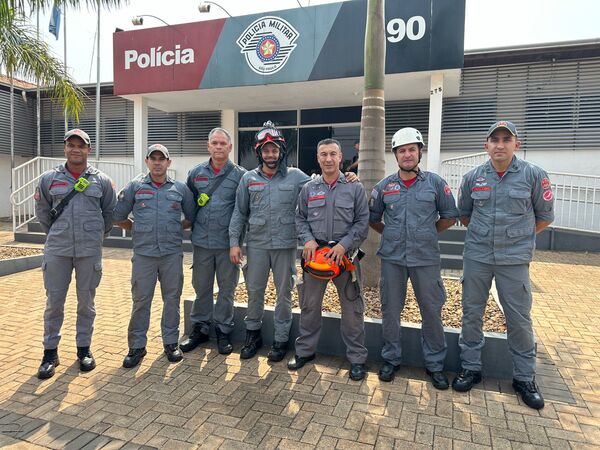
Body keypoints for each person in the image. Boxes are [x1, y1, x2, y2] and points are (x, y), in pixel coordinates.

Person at [452, 121, 554, 409]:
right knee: (472, 313)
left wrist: (515, 238)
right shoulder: (473, 178)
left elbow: (544, 217)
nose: (500, 144)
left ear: (516, 144)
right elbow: (466, 216)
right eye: (494, 139)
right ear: (486, 145)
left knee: (519, 319)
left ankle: (524, 378)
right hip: (478, 256)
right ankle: (470, 367)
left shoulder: (534, 176)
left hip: (514, 260)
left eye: (505, 139)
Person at [369, 127, 458, 388]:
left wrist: (427, 233)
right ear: (395, 155)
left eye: (411, 149)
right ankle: (391, 359)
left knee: (431, 311)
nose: (407, 155)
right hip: (393, 259)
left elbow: (449, 217)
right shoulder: (384, 187)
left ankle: (435, 365)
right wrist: (394, 234)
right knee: (390, 310)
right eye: (401, 151)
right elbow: (374, 220)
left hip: (426, 259)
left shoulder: (436, 184)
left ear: (419, 152)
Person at [34, 128, 116, 379]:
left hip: (89, 251)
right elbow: (42, 213)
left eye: (81, 145)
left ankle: (84, 349)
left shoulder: (101, 180)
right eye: (71, 144)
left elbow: (109, 215)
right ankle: (50, 352)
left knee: (86, 304)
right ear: (65, 148)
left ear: (88, 149)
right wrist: (59, 234)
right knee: (54, 303)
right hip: (58, 250)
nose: (76, 149)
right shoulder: (49, 179)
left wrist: (92, 237)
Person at [229, 121, 311, 362]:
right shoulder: (248, 179)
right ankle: (253, 336)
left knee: (284, 295)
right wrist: (235, 242)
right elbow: (239, 213)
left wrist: (346, 175)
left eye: (274, 150)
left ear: (281, 151)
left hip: (285, 246)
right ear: (259, 152)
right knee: (254, 292)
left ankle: (281, 339)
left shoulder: (296, 177)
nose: (270, 154)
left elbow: (319, 190)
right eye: (266, 150)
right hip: (256, 246)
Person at [289, 138, 369, 380]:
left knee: (353, 311)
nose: (328, 159)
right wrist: (308, 240)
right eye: (323, 154)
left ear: (340, 156)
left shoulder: (355, 188)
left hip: (346, 261)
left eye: (332, 154)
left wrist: (344, 246)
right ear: (318, 158)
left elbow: (362, 222)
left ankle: (356, 359)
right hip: (315, 260)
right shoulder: (309, 189)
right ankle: (305, 352)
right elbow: (300, 218)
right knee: (309, 307)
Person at [113, 144, 196, 368]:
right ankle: (137, 346)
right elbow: (118, 216)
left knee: (172, 300)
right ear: (147, 162)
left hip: (171, 254)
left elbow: (190, 217)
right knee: (141, 301)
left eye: (162, 159)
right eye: (154, 158)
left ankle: (171, 343)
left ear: (169, 163)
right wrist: (135, 228)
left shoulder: (180, 189)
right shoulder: (135, 187)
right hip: (144, 255)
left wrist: (175, 229)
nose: (158, 162)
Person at [180, 128, 246, 355]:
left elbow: (243, 210)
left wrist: (237, 242)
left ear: (230, 147)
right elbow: (188, 205)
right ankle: (199, 329)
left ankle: (223, 331)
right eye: (214, 143)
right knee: (201, 288)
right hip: (201, 243)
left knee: (227, 290)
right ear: (208, 146)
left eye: (222, 143)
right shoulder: (196, 173)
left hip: (228, 246)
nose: (218, 147)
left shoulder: (240, 175)